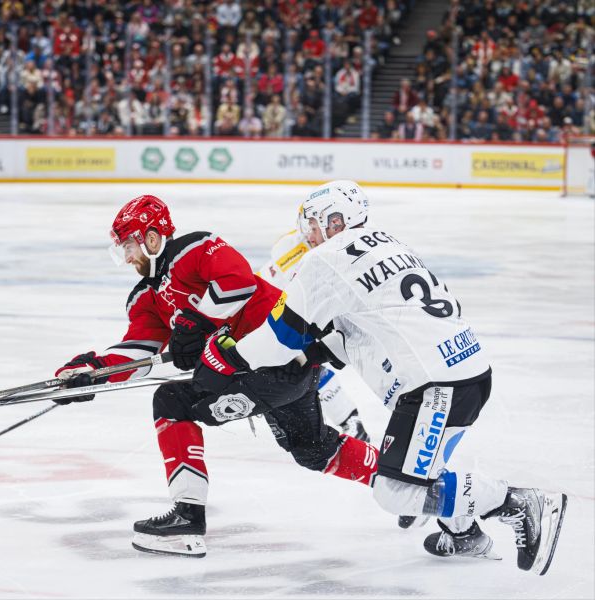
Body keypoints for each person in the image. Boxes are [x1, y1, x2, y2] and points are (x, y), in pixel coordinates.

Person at [197, 180, 568, 575]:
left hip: (435, 388)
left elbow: (278, 340)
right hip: (466, 371)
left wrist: (224, 355)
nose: (308, 236)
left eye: (312, 225)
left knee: (398, 493)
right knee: (424, 471)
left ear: (334, 221)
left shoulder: (326, 260)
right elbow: (357, 329)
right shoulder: (387, 243)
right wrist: (311, 353)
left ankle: (518, 500)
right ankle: (465, 534)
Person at [54, 195, 378, 558]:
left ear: (152, 237)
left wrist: (198, 321)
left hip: (278, 361)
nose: (128, 257)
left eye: (130, 246)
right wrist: (95, 371)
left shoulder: (198, 248)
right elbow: (138, 352)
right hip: (269, 375)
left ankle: (188, 518)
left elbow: (238, 282)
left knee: (171, 401)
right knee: (313, 450)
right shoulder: (146, 297)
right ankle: (404, 481)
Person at [257, 218, 370, 443]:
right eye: (309, 227)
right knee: (302, 366)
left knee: (307, 366)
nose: (310, 234)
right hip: (272, 312)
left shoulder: (322, 250)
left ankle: (348, 421)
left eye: (314, 227)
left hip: (288, 312)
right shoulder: (293, 250)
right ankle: (346, 422)